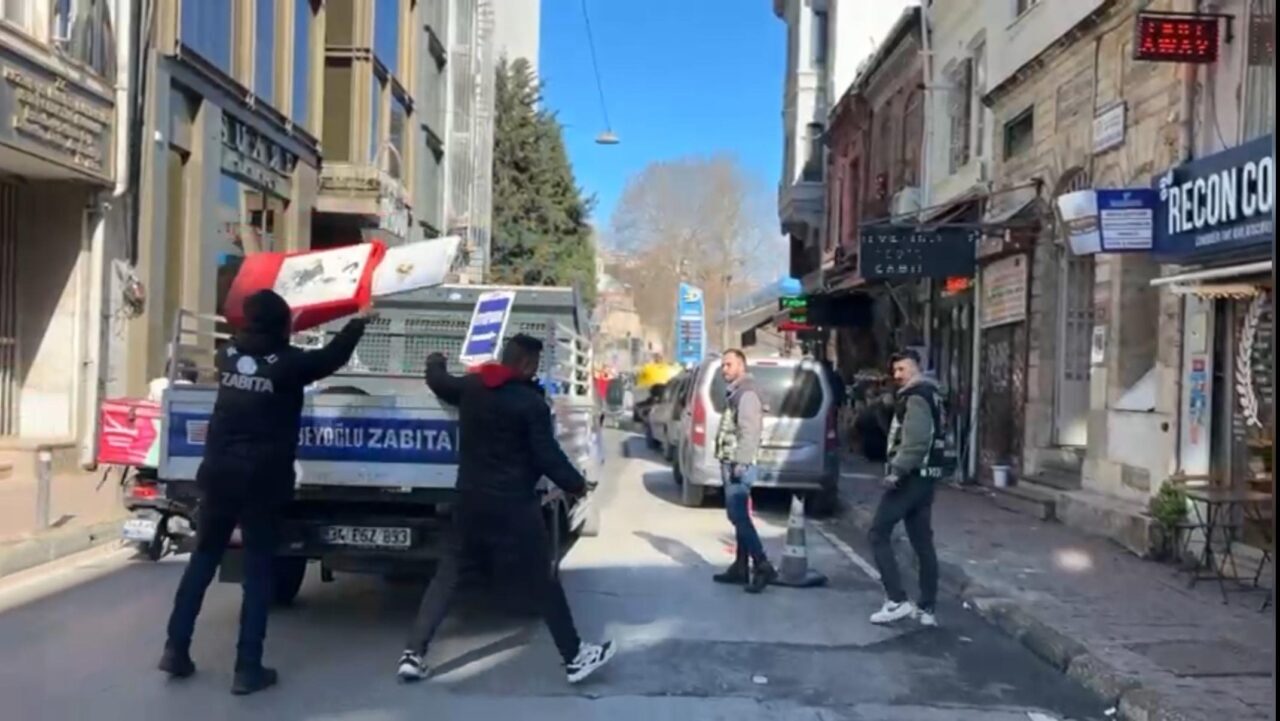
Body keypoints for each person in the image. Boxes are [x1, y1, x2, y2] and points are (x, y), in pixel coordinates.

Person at [159, 290, 368, 695]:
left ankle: (175, 649)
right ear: (280, 326)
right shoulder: (289, 365)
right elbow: (332, 357)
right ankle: (247, 667)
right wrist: (358, 322)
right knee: (257, 572)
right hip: (262, 479)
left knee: (203, 560)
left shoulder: (227, 355)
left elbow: (260, 347)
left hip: (218, 474)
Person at [397, 335, 615, 685]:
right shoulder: (530, 404)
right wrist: (577, 485)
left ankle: (413, 654)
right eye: (536, 365)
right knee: (543, 582)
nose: (536, 371)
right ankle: (574, 657)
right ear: (527, 364)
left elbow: (439, 382)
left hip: (469, 502)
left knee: (448, 576)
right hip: (515, 508)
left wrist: (435, 361)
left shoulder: (472, 388)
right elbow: (547, 456)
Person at [868, 349, 944, 628]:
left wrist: (897, 471)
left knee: (878, 533)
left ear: (916, 368)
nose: (897, 375)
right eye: (895, 370)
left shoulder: (917, 397)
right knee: (922, 542)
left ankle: (896, 600)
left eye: (902, 369)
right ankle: (927, 608)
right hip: (926, 477)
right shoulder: (932, 395)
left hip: (910, 477)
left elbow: (915, 441)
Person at [711, 349, 776, 593]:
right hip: (732, 460)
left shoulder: (747, 393)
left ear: (741, 365)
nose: (724, 370)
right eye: (723, 365)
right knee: (738, 516)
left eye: (729, 365)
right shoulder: (737, 392)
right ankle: (740, 567)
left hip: (738, 463)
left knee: (738, 515)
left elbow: (749, 431)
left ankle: (762, 564)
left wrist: (741, 462)